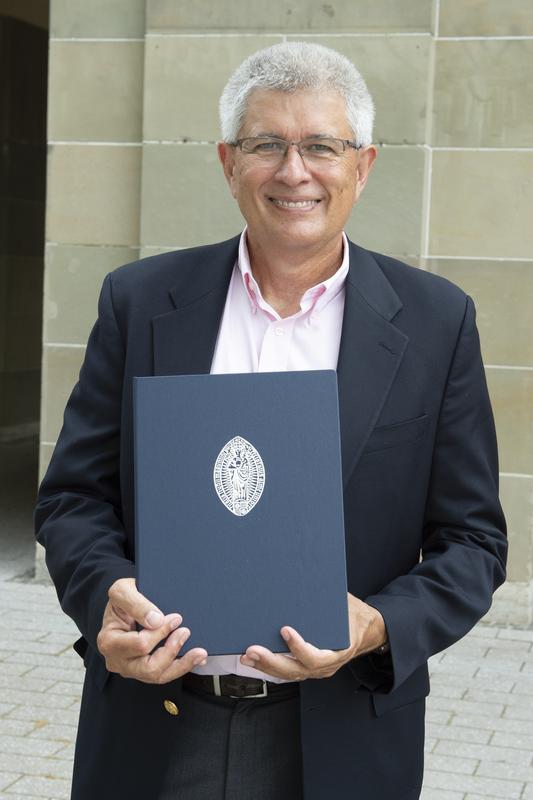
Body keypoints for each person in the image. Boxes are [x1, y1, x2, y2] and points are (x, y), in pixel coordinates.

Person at [35, 42, 507, 800]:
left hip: (341, 734)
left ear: (364, 164)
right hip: (157, 727)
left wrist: (376, 626)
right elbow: (72, 500)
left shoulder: (434, 321)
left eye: (321, 145)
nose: (294, 172)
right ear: (227, 163)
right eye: (266, 145)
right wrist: (105, 595)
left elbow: (473, 543)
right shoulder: (140, 300)